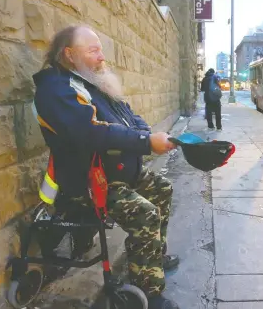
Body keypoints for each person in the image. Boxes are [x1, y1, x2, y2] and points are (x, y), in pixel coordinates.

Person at [32, 26, 180, 309]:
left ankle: (152, 258)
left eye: (100, 48)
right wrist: (146, 141)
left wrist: (142, 133)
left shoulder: (90, 82)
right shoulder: (55, 89)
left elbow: (129, 115)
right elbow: (90, 133)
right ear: (69, 54)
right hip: (90, 182)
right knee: (146, 214)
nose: (102, 56)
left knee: (163, 188)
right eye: (93, 50)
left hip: (118, 173)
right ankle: (149, 291)